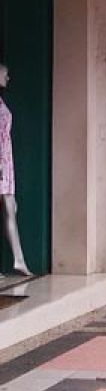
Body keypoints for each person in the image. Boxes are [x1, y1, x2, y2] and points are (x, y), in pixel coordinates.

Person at [0, 64, 31, 276]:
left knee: (12, 208)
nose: (8, 78)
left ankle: (18, 260)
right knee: (9, 208)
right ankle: (18, 260)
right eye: (4, 74)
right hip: (1, 163)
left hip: (6, 162)